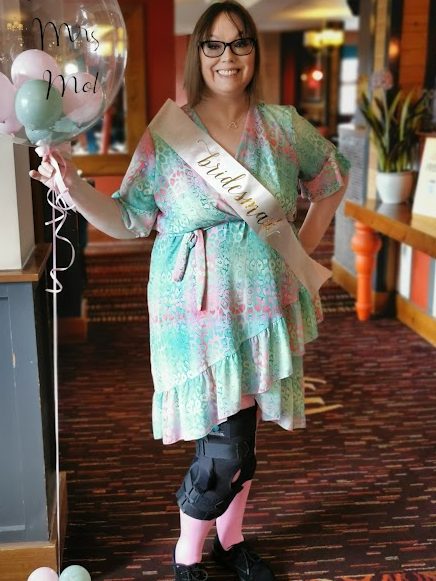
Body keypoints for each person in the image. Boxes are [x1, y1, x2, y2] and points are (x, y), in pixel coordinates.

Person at [31, 1, 350, 579]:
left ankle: (231, 541)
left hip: (261, 307)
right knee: (224, 449)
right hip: (193, 311)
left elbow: (331, 178)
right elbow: (128, 217)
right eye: (214, 44)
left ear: (254, 51)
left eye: (240, 42)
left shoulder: (282, 126)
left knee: (243, 440)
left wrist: (299, 251)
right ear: (198, 52)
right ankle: (186, 558)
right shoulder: (168, 133)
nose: (228, 56)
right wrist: (72, 187)